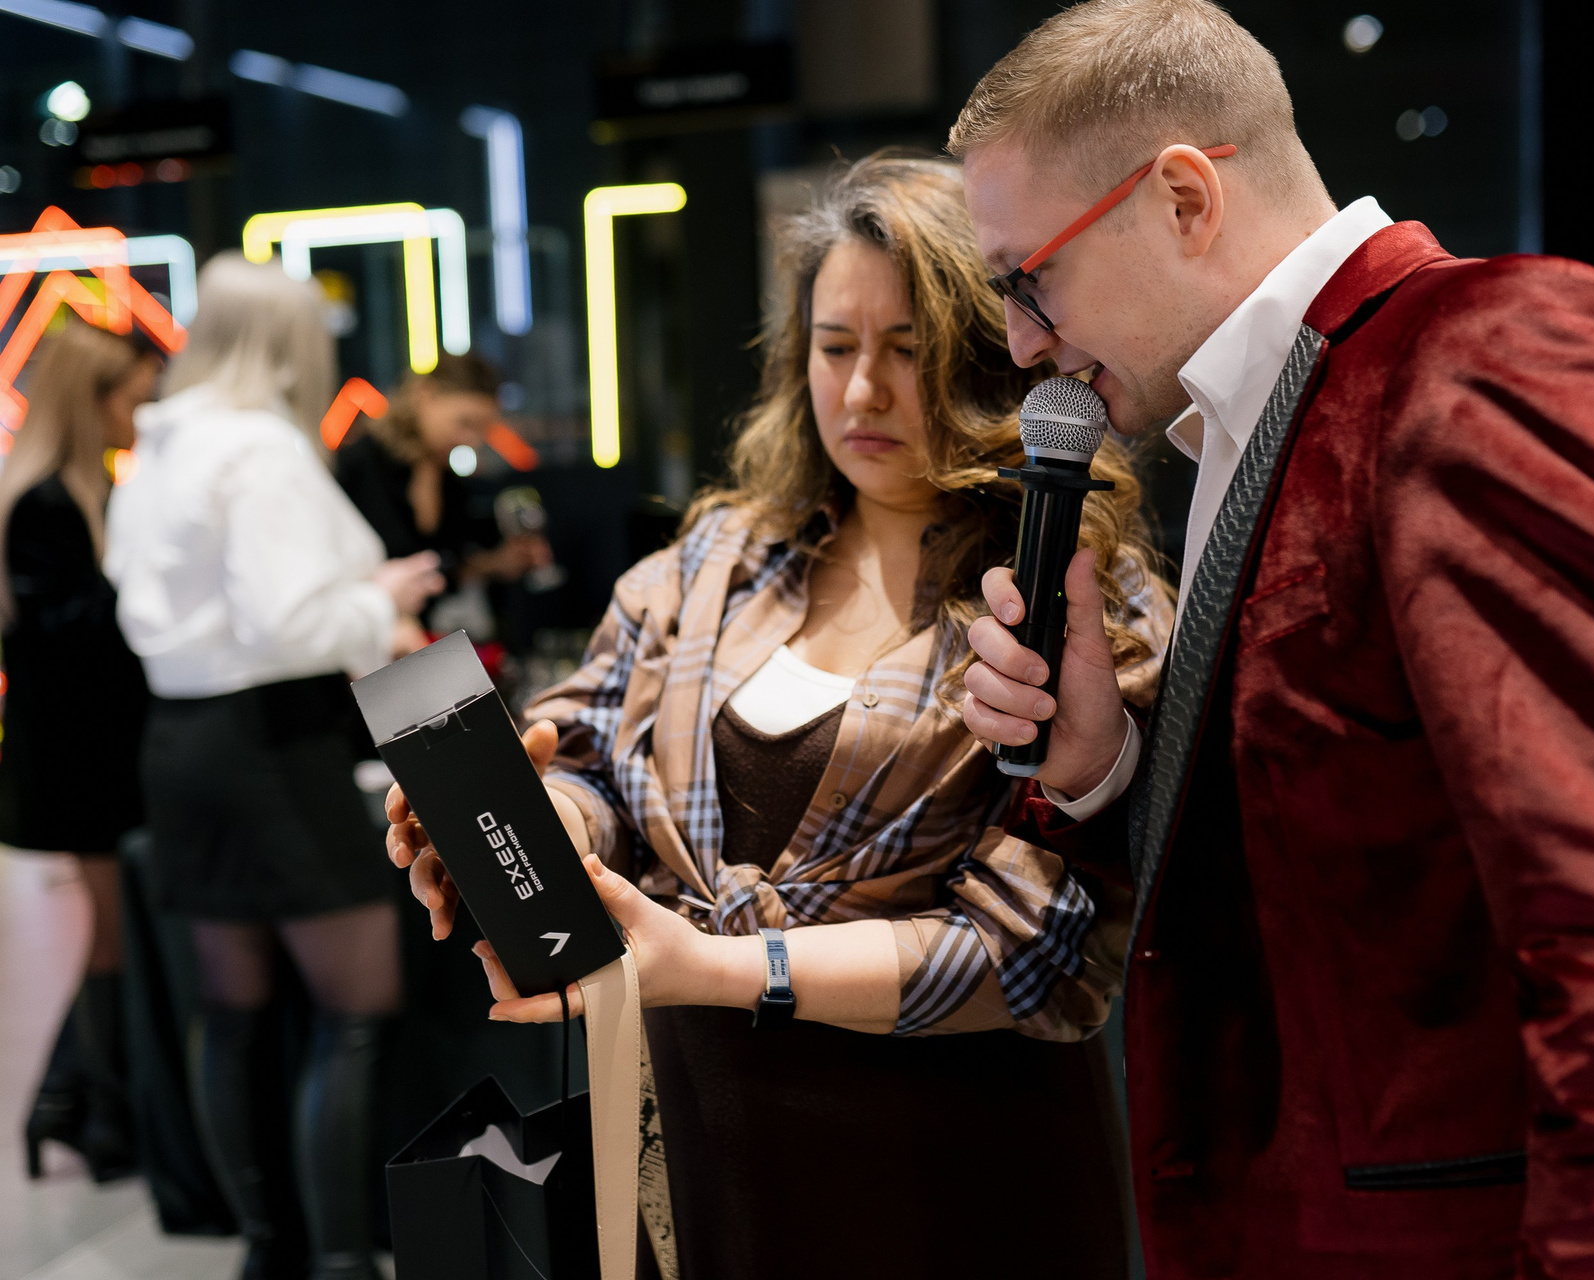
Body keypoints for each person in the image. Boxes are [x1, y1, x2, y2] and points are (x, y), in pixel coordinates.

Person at [952, 2, 1594, 1276]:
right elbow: (1346, 857)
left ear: (1184, 198)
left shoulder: (1489, 355)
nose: (1024, 341)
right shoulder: (1263, 416)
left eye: (1028, 278)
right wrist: (1104, 763)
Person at [386, 154, 1172, 1280]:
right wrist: (538, 825)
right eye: (835, 347)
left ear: (991, 356)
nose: (863, 393)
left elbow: (1043, 949)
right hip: (697, 1157)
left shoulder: (1068, 603)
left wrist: (720, 964)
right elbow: (593, 751)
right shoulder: (720, 558)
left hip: (947, 1177)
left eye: (908, 350)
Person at [105, 252, 444, 1280]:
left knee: (232, 1011)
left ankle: (269, 1244)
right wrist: (380, 601)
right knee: (354, 1009)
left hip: (180, 740)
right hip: (272, 743)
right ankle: (338, 1257)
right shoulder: (257, 448)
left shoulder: (161, 445)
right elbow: (288, 621)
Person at [1, 322, 160, 1181]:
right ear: (92, 400)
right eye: (133, 399)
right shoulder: (48, 505)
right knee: (110, 936)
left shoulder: (82, 492)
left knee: (114, 929)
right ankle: (101, 1114)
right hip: (77, 757)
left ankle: (72, 1102)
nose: (143, 414)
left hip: (90, 750)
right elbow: (66, 642)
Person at [332, 352, 551, 618]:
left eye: (481, 430)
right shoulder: (360, 465)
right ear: (426, 394)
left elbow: (443, 573)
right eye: (465, 423)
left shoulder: (449, 480)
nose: (472, 440)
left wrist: (493, 564)